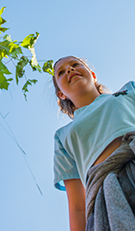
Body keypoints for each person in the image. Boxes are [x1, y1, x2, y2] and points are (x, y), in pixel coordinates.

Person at [52, 56, 135, 231]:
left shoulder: (129, 91)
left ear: (93, 74)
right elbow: (77, 206)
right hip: (108, 198)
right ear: (61, 93)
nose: (69, 69)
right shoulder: (63, 136)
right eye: (61, 72)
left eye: (75, 65)